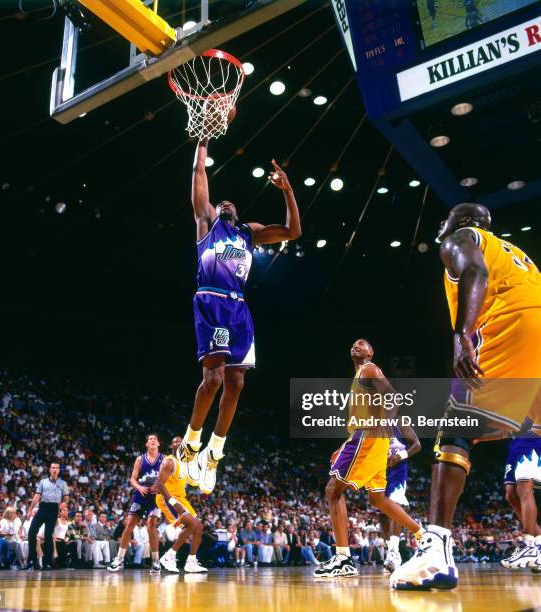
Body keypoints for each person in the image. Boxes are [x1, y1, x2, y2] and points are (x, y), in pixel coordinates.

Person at [391, 203, 541, 589]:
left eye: (444, 221)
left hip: (514, 323)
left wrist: (462, 336)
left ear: (456, 223)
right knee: (513, 429)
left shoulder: (462, 238)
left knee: (454, 428)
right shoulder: (516, 253)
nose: (442, 227)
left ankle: (436, 551)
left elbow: (475, 270)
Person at [177, 136, 302, 494]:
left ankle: (214, 453)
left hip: (239, 307)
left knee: (237, 384)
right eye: (221, 201)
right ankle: (190, 443)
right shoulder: (207, 223)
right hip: (212, 301)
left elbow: (293, 231)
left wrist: (288, 190)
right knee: (213, 379)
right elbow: (199, 171)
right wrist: (204, 136)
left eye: (231, 201)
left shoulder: (250, 233)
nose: (226, 201)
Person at [314, 339, 425, 579]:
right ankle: (424, 537)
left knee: (333, 490)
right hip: (368, 438)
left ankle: (343, 559)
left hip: (369, 436)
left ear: (371, 352)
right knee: (378, 500)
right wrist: (345, 444)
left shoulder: (369, 368)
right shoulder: (358, 376)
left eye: (362, 344)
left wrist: (383, 424)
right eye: (353, 344)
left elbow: (393, 398)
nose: (356, 346)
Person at [108, 433, 162, 573]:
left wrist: (161, 486)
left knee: (151, 525)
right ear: (146, 444)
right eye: (149, 439)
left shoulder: (164, 459)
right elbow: (132, 479)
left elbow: (169, 478)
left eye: (154, 439)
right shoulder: (140, 459)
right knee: (130, 522)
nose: (152, 440)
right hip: (141, 495)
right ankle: (119, 559)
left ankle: (156, 562)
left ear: (158, 444)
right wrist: (139, 487)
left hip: (156, 497)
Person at [156, 436, 207, 573]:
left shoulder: (185, 464)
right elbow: (159, 484)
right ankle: (169, 556)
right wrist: (172, 501)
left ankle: (191, 562)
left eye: (181, 442)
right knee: (191, 524)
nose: (178, 443)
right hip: (167, 498)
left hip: (181, 498)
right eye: (175, 442)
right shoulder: (169, 462)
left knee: (199, 527)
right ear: (171, 446)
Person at [381, 424, 421, 573]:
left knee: (394, 506)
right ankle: (391, 551)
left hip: (397, 470)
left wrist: (399, 456)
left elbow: (417, 445)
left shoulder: (400, 422)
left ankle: (394, 553)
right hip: (379, 469)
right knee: (382, 514)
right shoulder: (373, 421)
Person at [500, 434, 541, 571]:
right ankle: (539, 545)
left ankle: (528, 544)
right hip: (515, 443)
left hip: (532, 439)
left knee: (525, 489)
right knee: (511, 495)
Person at [25, 461, 69, 570]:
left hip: (54, 509)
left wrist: (64, 503)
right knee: (31, 532)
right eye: (53, 467)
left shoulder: (62, 483)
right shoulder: (43, 482)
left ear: (59, 470)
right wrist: (30, 509)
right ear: (50, 469)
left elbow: (66, 497)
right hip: (42, 507)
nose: (55, 469)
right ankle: (32, 560)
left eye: (57, 468)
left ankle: (48, 563)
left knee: (49, 536)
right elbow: (37, 496)